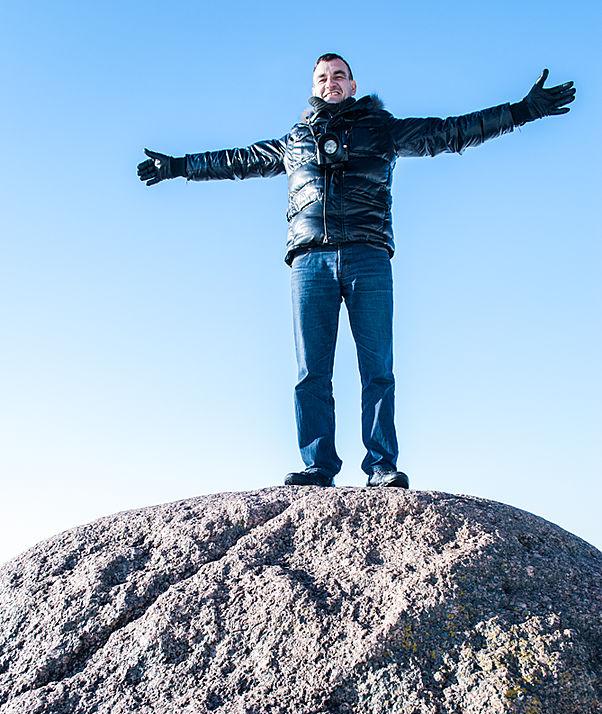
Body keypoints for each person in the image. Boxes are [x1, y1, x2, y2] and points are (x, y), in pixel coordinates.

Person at [137, 55, 575, 488]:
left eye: (339, 76)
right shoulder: (294, 142)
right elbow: (235, 161)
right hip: (310, 261)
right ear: (314, 87)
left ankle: (382, 464)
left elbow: (452, 132)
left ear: (352, 83)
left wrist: (523, 111)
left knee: (377, 367)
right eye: (323, 77)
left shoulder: (381, 129)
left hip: (368, 256)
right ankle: (317, 465)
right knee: (312, 371)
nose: (331, 83)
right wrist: (177, 167)